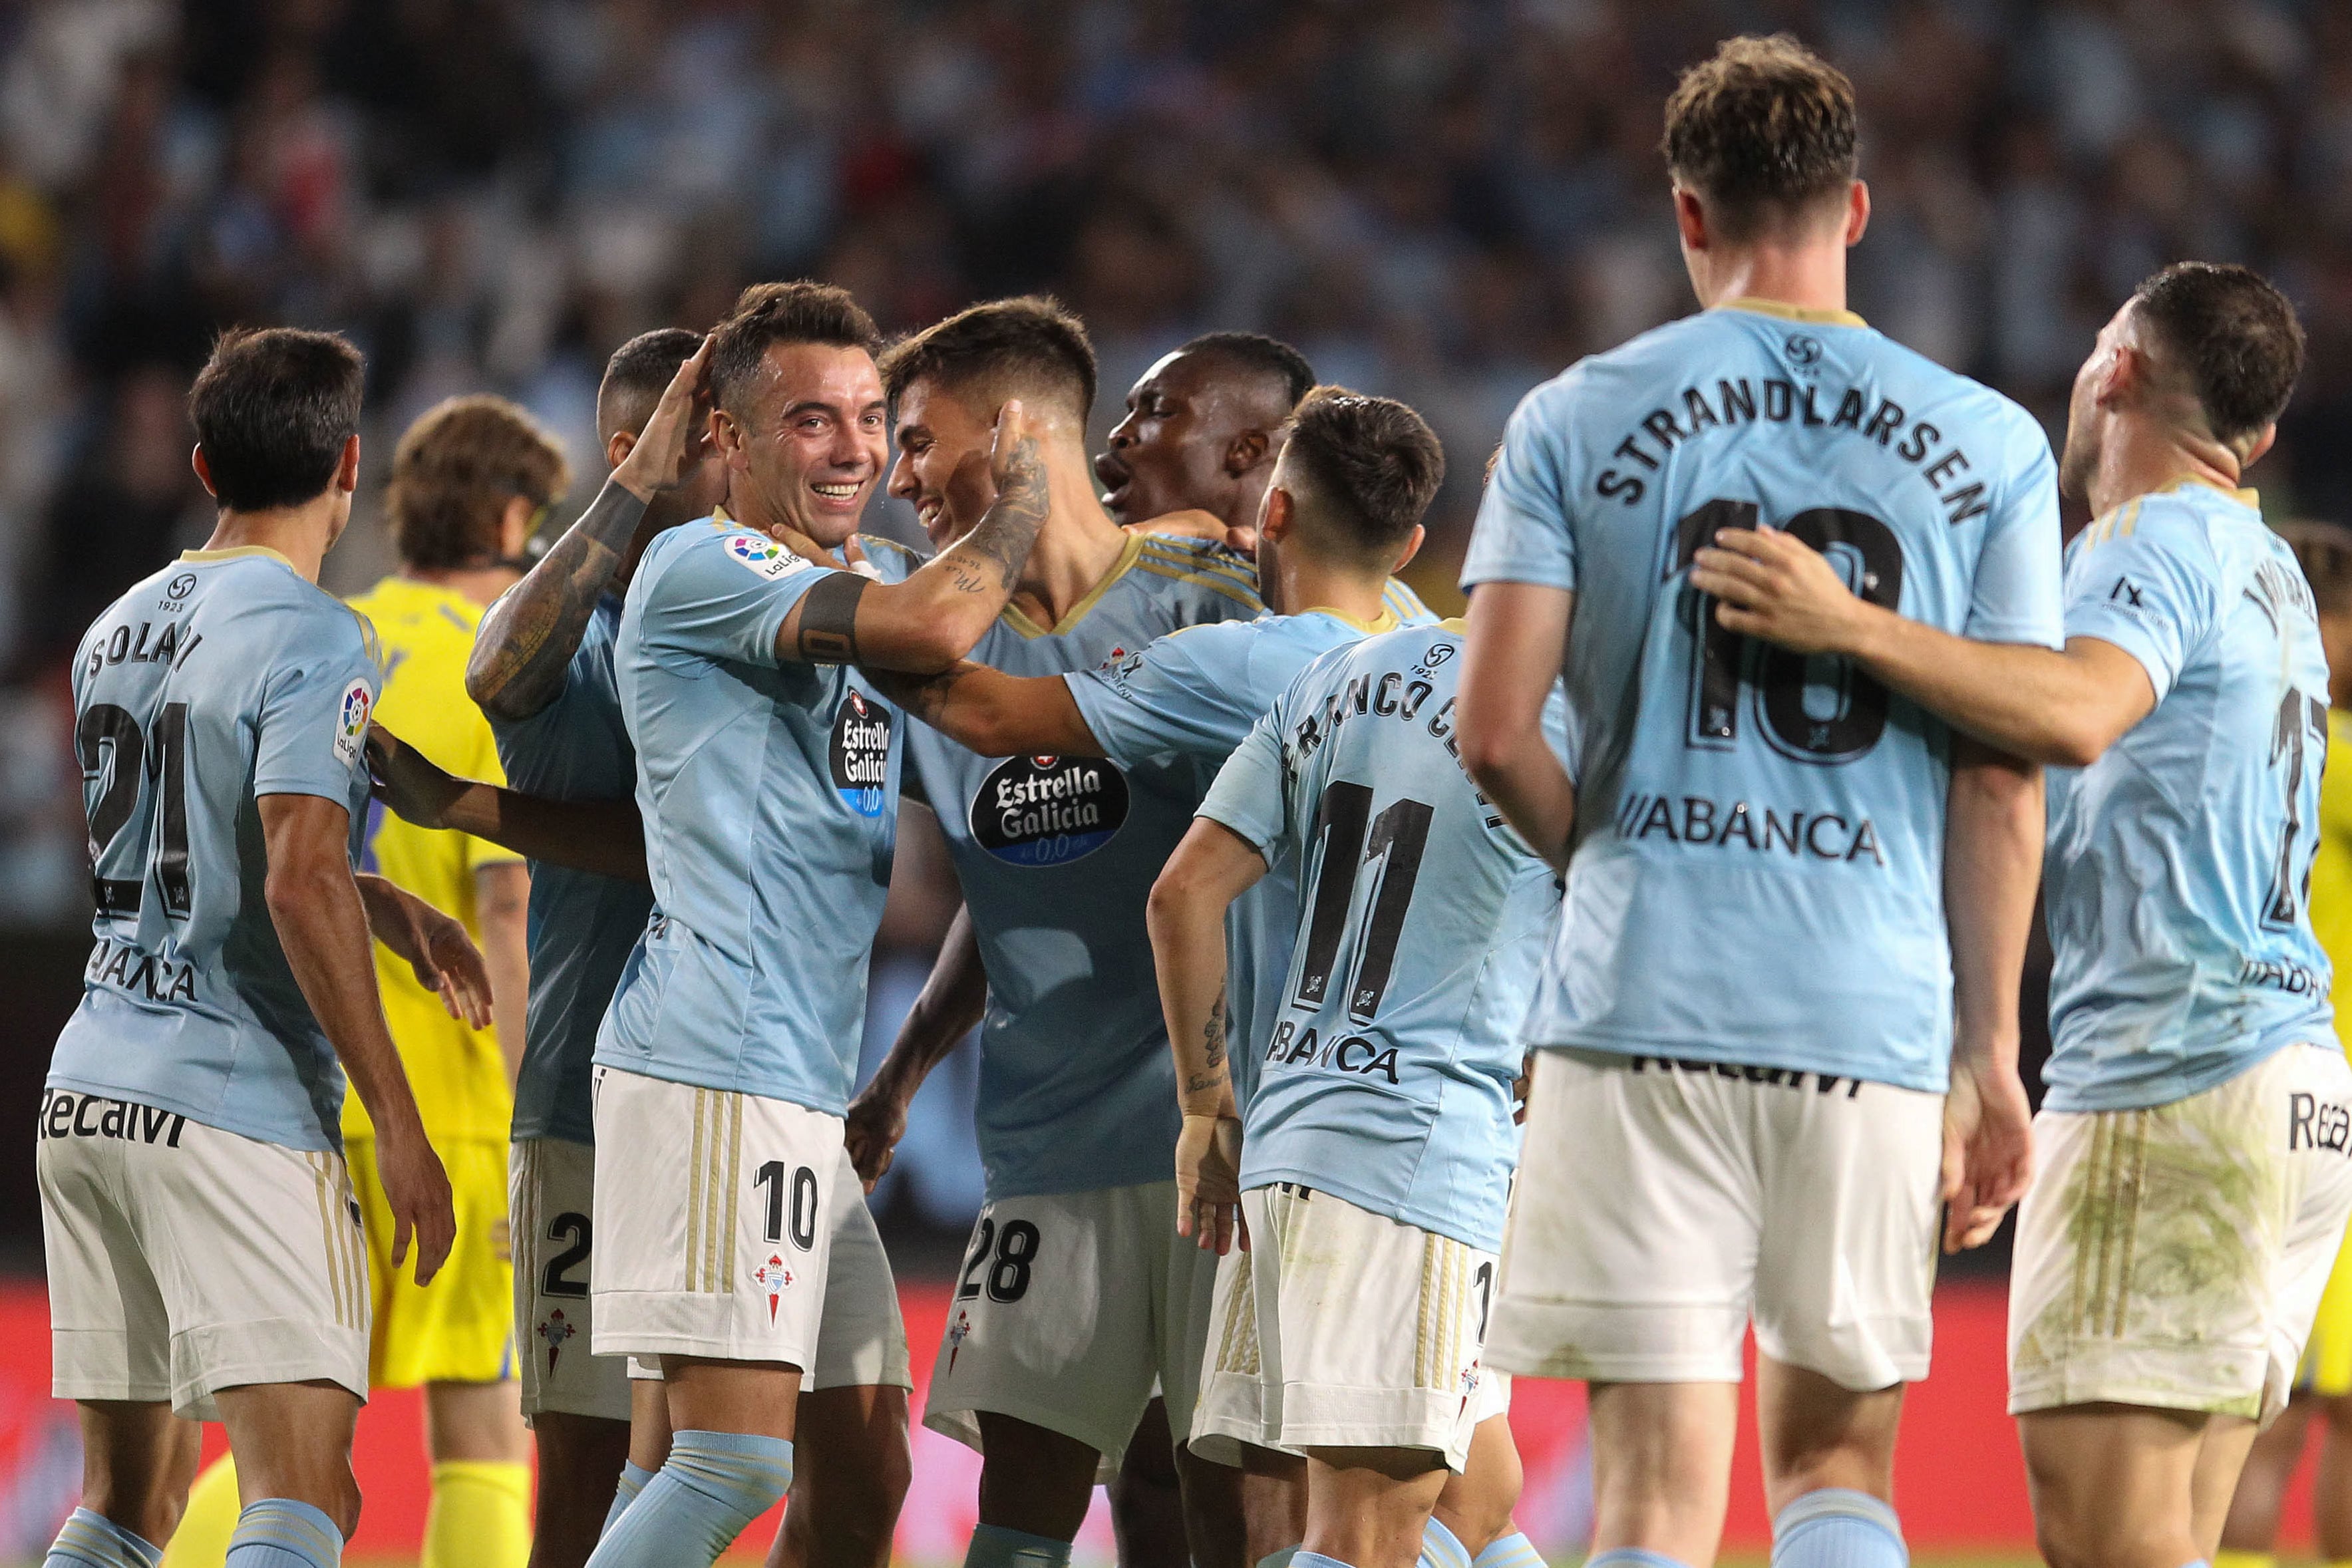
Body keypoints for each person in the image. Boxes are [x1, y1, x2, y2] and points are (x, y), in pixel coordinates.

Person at [1451, 35, 2055, 1568]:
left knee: (1651, 1497)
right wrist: (1990, 1051)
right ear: (1855, 212)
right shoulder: (1989, 444)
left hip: (1639, 994)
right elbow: (2001, 770)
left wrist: (1609, 855)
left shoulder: (1574, 415)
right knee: (1837, 1469)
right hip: (1864, 1012)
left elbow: (1493, 730)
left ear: (1687, 215)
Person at [1689, 261, 2350, 1568]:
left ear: (2116, 372)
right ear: (2258, 434)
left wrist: (1848, 625)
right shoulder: (2269, 563)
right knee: (2174, 1542)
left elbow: (2071, 708)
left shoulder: (2151, 537)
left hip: (2173, 1081)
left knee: (2110, 1549)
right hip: (2288, 1091)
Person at [874, 384, 1470, 1568]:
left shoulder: (1246, 668)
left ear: (1273, 498)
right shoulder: (1456, 667)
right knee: (1420, 1499)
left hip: (1273, 1132)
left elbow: (1167, 879)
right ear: (1408, 541)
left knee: (1306, 1517)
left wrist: (840, 614)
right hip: (1438, 1137)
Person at [580, 279, 1056, 1568]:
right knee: (729, 1463)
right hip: (710, 1070)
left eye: (866, 417)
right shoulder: (707, 566)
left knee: (861, 1466)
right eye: (810, 421)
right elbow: (934, 620)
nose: (852, 449)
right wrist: (1023, 496)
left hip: (790, 1087)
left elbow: (989, 672)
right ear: (727, 444)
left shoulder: (849, 582)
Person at [38, 325, 478, 1568]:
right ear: (351, 464)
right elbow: (290, 875)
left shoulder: (108, 629)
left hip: (92, 1087)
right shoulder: (321, 632)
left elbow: (205, 827)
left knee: (125, 1507)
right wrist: (397, 1118)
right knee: (305, 1500)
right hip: (232, 1102)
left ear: (201, 462)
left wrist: (388, 901)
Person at [840, 296, 1261, 1568]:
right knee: (1028, 1504)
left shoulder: (1223, 606)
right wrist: (906, 1067)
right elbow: (1003, 871)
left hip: (1226, 1154)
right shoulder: (930, 638)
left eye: (919, 440)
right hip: (1044, 1152)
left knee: (1214, 1504)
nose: (896, 474)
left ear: (1018, 434)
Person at [168, 394, 562, 1568]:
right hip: (444, 1102)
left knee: (283, 1435)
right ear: (507, 514)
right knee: (483, 1422)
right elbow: (505, 914)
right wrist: (531, 1107)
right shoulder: (495, 666)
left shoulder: (325, 628)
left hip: (295, 1089)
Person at [1146, 576, 1556, 1568]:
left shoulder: (1337, 676)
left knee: (1481, 1497)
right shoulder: (1559, 706)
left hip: (1294, 1133)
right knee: (1363, 1535)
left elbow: (1180, 893)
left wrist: (1206, 1107)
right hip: (1412, 1149)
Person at [464, 329, 724, 1568]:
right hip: (584, 1110)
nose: (737, 461)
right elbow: (494, 674)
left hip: (752, 1100)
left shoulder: (777, 611)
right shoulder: (587, 642)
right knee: (584, 1469)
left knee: (806, 1445)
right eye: (707, 439)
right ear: (638, 450)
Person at [2215, 521, 2352, 1568]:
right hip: (2330, 1101)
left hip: (2248, 1070)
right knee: (2325, 1413)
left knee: (2266, 1405)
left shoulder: (2235, 740)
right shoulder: (2331, 751)